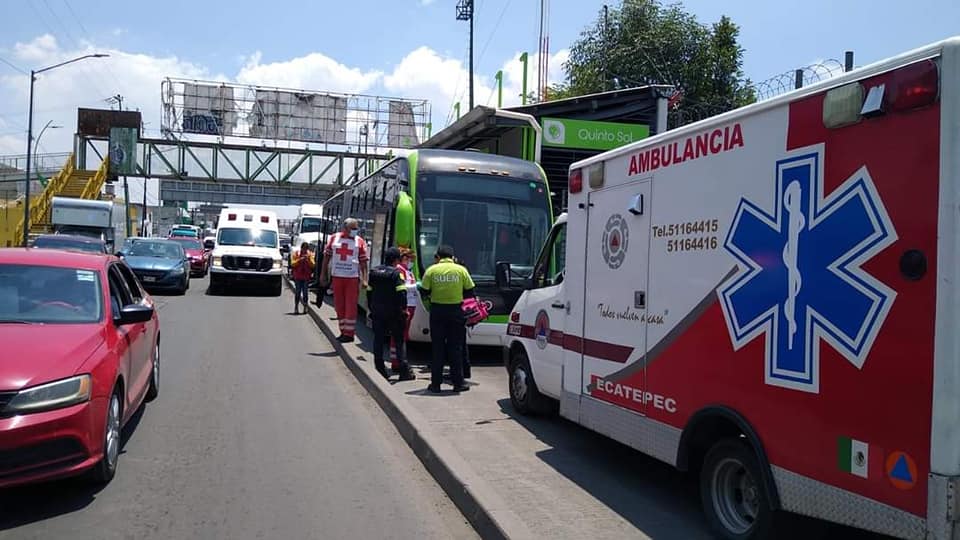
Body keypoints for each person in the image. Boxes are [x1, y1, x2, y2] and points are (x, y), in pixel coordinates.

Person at [419, 245, 474, 393]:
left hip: (437, 312)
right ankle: (458, 384)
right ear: (452, 257)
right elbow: (470, 292)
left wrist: (431, 301)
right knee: (455, 348)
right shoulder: (461, 270)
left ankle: (436, 385)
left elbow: (423, 291)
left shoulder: (432, 270)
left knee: (437, 348)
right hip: (456, 312)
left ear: (438, 256)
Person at [367, 247, 416, 382]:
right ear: (395, 260)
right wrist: (404, 309)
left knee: (378, 339)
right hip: (394, 313)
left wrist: (371, 308)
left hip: (377, 311)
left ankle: (379, 366)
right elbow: (401, 293)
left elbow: (369, 292)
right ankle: (403, 369)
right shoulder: (396, 273)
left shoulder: (374, 271)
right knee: (399, 341)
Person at [320, 218, 368, 342]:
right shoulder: (334, 238)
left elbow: (363, 263)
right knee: (339, 305)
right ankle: (343, 331)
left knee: (351, 306)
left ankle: (349, 334)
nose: (355, 231)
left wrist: (364, 279)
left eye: (356, 228)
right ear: (345, 228)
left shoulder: (360, 241)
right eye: (353, 228)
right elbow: (326, 258)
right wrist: (323, 275)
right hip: (337, 277)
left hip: (352, 278)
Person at [389, 247, 418, 373]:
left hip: (410, 304)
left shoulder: (408, 271)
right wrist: (415, 286)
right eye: (410, 259)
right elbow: (402, 287)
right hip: (404, 305)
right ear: (404, 258)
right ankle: (396, 362)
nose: (411, 261)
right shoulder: (399, 270)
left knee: (403, 335)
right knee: (399, 335)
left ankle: (400, 360)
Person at [290, 242, 315, 315]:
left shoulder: (310, 255)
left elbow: (313, 265)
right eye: (303, 248)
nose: (304, 250)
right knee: (297, 292)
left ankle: (305, 307)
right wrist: (300, 260)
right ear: (301, 248)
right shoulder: (296, 253)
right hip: (298, 276)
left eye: (306, 249)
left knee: (305, 293)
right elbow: (292, 263)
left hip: (306, 277)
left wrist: (308, 260)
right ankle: (296, 307)